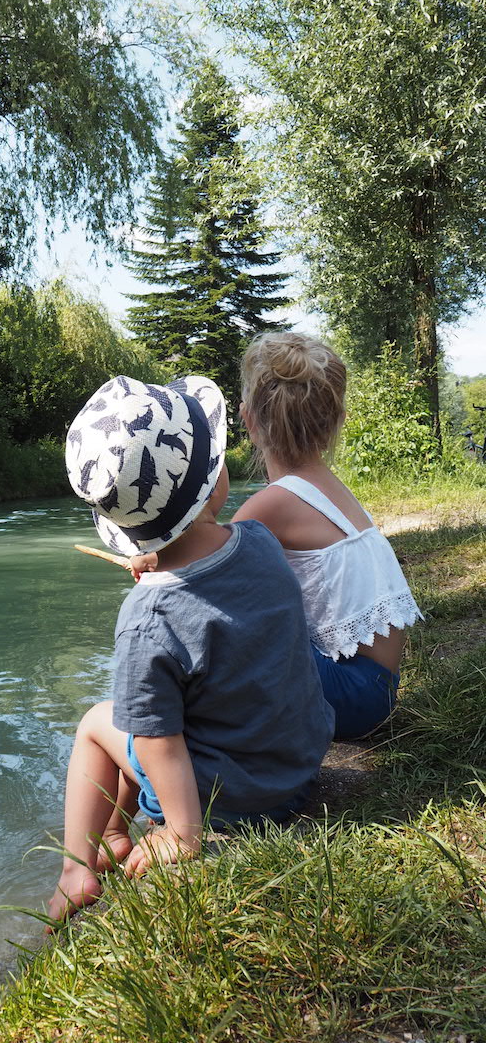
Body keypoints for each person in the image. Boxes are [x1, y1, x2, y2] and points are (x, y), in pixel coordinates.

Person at [49, 373, 334, 924]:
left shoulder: (145, 619)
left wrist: (183, 833)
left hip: (229, 806)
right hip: (294, 775)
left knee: (96, 724)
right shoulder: (261, 544)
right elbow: (212, 593)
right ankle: (117, 834)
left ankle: (79, 867)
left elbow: (158, 739)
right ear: (214, 480)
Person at [230, 331, 423, 741]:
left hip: (350, 696)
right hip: (378, 688)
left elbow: (210, 581)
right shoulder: (329, 488)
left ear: (248, 418)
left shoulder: (271, 505)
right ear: (334, 421)